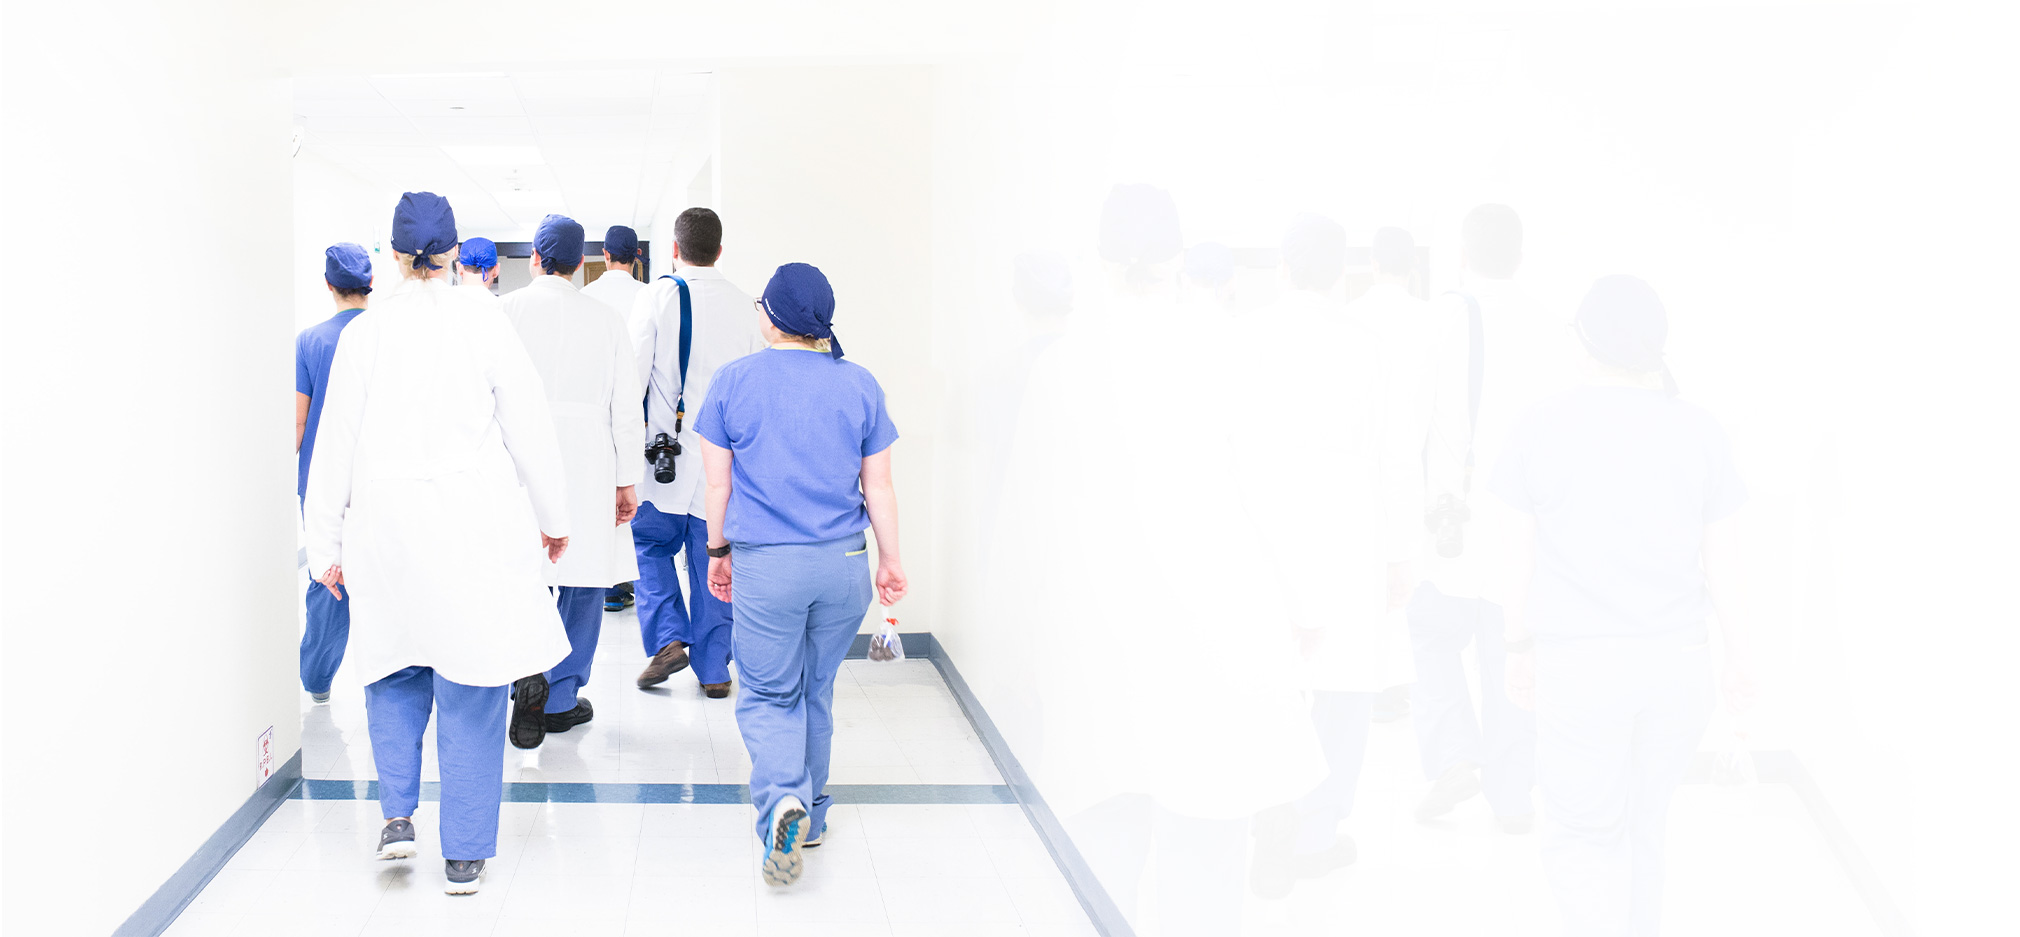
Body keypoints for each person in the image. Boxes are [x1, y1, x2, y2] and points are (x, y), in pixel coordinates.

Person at [303, 192, 572, 896]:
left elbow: (334, 445)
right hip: (471, 527)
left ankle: (397, 818)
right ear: (453, 252)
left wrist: (323, 545)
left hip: (386, 529)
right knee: (473, 684)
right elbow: (529, 425)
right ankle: (464, 855)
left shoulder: (365, 333)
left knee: (393, 670)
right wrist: (554, 516)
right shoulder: (484, 322)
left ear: (394, 255)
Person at [1490, 276, 1754, 936]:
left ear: (1584, 342)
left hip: (1582, 668)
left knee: (1583, 835)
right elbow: (1725, 562)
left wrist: (1516, 645)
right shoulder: (1701, 429)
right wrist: (1739, 657)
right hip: (1679, 666)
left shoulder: (1539, 425)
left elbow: (1516, 558)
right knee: (1645, 826)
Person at [696, 262, 907, 886]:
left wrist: (716, 551)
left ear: (772, 316)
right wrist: (891, 560)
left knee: (769, 695)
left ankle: (782, 800)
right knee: (816, 690)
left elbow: (717, 486)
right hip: (844, 565)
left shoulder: (733, 381)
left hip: (769, 567)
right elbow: (880, 487)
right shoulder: (860, 383)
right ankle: (810, 815)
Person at [1406, 203, 1576, 831]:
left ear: (1462, 255)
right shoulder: (1554, 329)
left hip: (1454, 526)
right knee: (1513, 656)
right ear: (1520, 256)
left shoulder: (1445, 316)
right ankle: (1512, 798)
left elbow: (1410, 424)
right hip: (1527, 529)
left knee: (1429, 633)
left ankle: (1454, 755)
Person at [500, 213, 645, 749]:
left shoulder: (504, 312)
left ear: (536, 259)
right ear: (581, 263)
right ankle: (560, 698)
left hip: (519, 457)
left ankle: (524, 675)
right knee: (584, 578)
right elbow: (627, 408)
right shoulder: (606, 320)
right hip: (590, 459)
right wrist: (627, 480)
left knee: (524, 571)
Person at [628, 208, 764, 697]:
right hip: (723, 465)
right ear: (720, 251)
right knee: (716, 558)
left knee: (648, 546)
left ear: (674, 249)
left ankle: (668, 638)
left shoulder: (658, 296)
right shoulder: (747, 307)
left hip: (664, 458)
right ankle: (714, 670)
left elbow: (632, 376)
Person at [293, 242, 373, 704]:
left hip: (322, 478)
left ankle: (318, 679)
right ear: (371, 283)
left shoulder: (310, 340)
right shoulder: (385, 334)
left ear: (328, 285)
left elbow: (298, 421)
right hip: (376, 476)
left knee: (329, 576)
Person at [580, 225, 646, 614]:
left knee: (601, 499)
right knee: (635, 499)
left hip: (597, 413)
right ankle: (629, 584)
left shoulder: (587, 297)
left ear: (604, 255)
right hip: (639, 411)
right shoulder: (649, 296)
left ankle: (608, 587)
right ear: (636, 255)